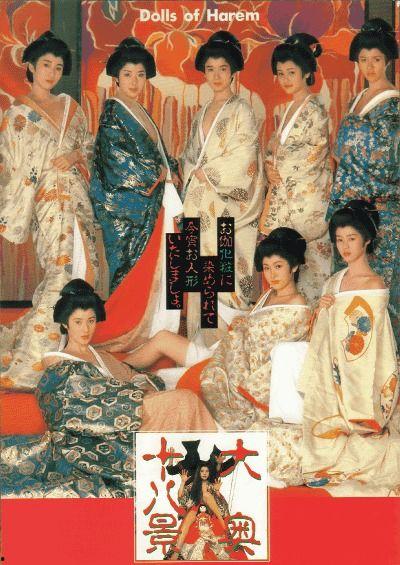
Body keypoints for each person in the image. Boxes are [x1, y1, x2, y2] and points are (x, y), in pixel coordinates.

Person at [28, 279, 215, 497]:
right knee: (183, 400)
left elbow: (131, 375)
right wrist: (128, 393)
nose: (85, 329)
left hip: (134, 410)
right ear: (65, 324)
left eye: (91, 321)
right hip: (107, 430)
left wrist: (137, 384)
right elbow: (70, 403)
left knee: (185, 399)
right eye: (78, 322)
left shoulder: (99, 355)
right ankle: (207, 472)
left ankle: (202, 471)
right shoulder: (57, 360)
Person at [0, 31, 98, 389]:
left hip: (77, 199)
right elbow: (12, 166)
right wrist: (43, 168)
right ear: (30, 66)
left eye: (58, 67)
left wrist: (73, 156)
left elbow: (88, 147)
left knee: (86, 271)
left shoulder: (71, 107)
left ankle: (59, 350)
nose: (52, 73)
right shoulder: (17, 114)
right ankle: (30, 363)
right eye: (45, 65)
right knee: (61, 271)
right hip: (47, 201)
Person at [298, 200, 400, 496]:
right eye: (339, 239)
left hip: (360, 369)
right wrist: (322, 310)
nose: (344, 246)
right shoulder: (333, 281)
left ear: (366, 240)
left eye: (351, 238)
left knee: (366, 423)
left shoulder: (374, 284)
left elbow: (374, 341)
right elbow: (322, 332)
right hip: (333, 368)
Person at [90, 37, 182, 341]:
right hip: (129, 208)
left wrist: (170, 168)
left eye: (140, 75)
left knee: (158, 267)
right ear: (116, 78)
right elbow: (115, 159)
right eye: (127, 74)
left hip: (153, 201)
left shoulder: (139, 109)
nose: (134, 81)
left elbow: (159, 154)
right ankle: (126, 333)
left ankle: (154, 331)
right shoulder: (113, 112)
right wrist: (154, 174)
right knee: (132, 271)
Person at [181, 31, 265, 346]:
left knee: (228, 272)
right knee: (201, 272)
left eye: (223, 69)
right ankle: (202, 346)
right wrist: (193, 171)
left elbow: (245, 157)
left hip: (229, 209)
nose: (216, 76)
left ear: (232, 72)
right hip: (200, 205)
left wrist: (209, 173)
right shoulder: (201, 113)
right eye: (210, 69)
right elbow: (188, 157)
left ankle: (230, 347)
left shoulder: (242, 110)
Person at [326, 18, 399, 343]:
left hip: (380, 211)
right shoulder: (357, 99)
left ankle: (386, 360)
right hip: (350, 207)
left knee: (379, 289)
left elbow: (387, 158)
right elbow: (341, 149)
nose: (370, 66)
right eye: (364, 59)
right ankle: (347, 356)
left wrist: (349, 142)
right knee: (347, 284)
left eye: (377, 59)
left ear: (388, 61)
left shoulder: (394, 103)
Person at [200, 228, 311, 431]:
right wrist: (241, 327)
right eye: (266, 268)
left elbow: (272, 350)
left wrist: (243, 331)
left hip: (256, 377)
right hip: (237, 361)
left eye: (278, 266)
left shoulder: (297, 305)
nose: (271, 274)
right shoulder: (267, 295)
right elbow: (252, 326)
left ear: (294, 266)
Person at [259, 33, 332, 307]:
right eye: (281, 73)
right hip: (287, 198)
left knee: (313, 271)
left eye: (292, 72)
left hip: (305, 202)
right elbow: (273, 150)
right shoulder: (289, 108)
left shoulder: (315, 110)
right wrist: (269, 167)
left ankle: (313, 324)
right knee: (291, 273)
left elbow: (314, 153)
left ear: (306, 73)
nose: (286, 79)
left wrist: (278, 166)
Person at [165, 463, 230, 560]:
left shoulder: (211, 486)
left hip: (210, 510)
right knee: (187, 520)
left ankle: (224, 528)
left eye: (206, 471)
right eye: (202, 471)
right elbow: (181, 498)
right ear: (199, 472)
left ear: (209, 473)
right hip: (196, 509)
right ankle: (176, 551)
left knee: (207, 495)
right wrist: (183, 482)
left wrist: (217, 491)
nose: (204, 473)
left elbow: (221, 505)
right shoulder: (193, 485)